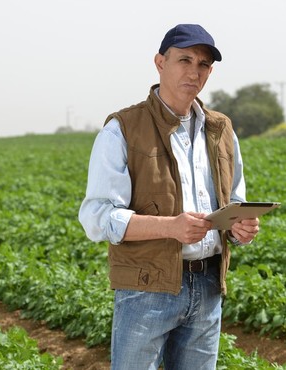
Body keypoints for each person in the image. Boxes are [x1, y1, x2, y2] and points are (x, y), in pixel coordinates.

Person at [78, 24, 260, 370]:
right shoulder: (123, 129)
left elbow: (234, 202)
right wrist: (169, 227)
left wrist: (242, 228)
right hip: (146, 289)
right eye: (184, 60)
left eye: (203, 64)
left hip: (207, 286)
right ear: (160, 62)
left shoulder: (221, 130)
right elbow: (97, 217)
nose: (194, 72)